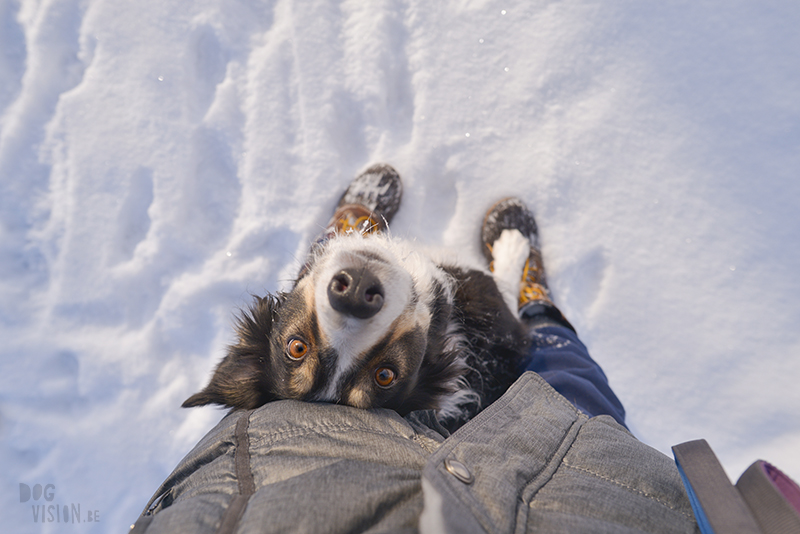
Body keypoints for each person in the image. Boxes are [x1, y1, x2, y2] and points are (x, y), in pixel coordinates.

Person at [130, 166, 699, 534]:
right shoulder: (463, 345)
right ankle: (536, 302)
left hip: (240, 490)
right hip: (596, 505)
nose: (352, 314)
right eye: (379, 375)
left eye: (300, 346)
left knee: (323, 284)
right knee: (570, 395)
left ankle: (348, 235)